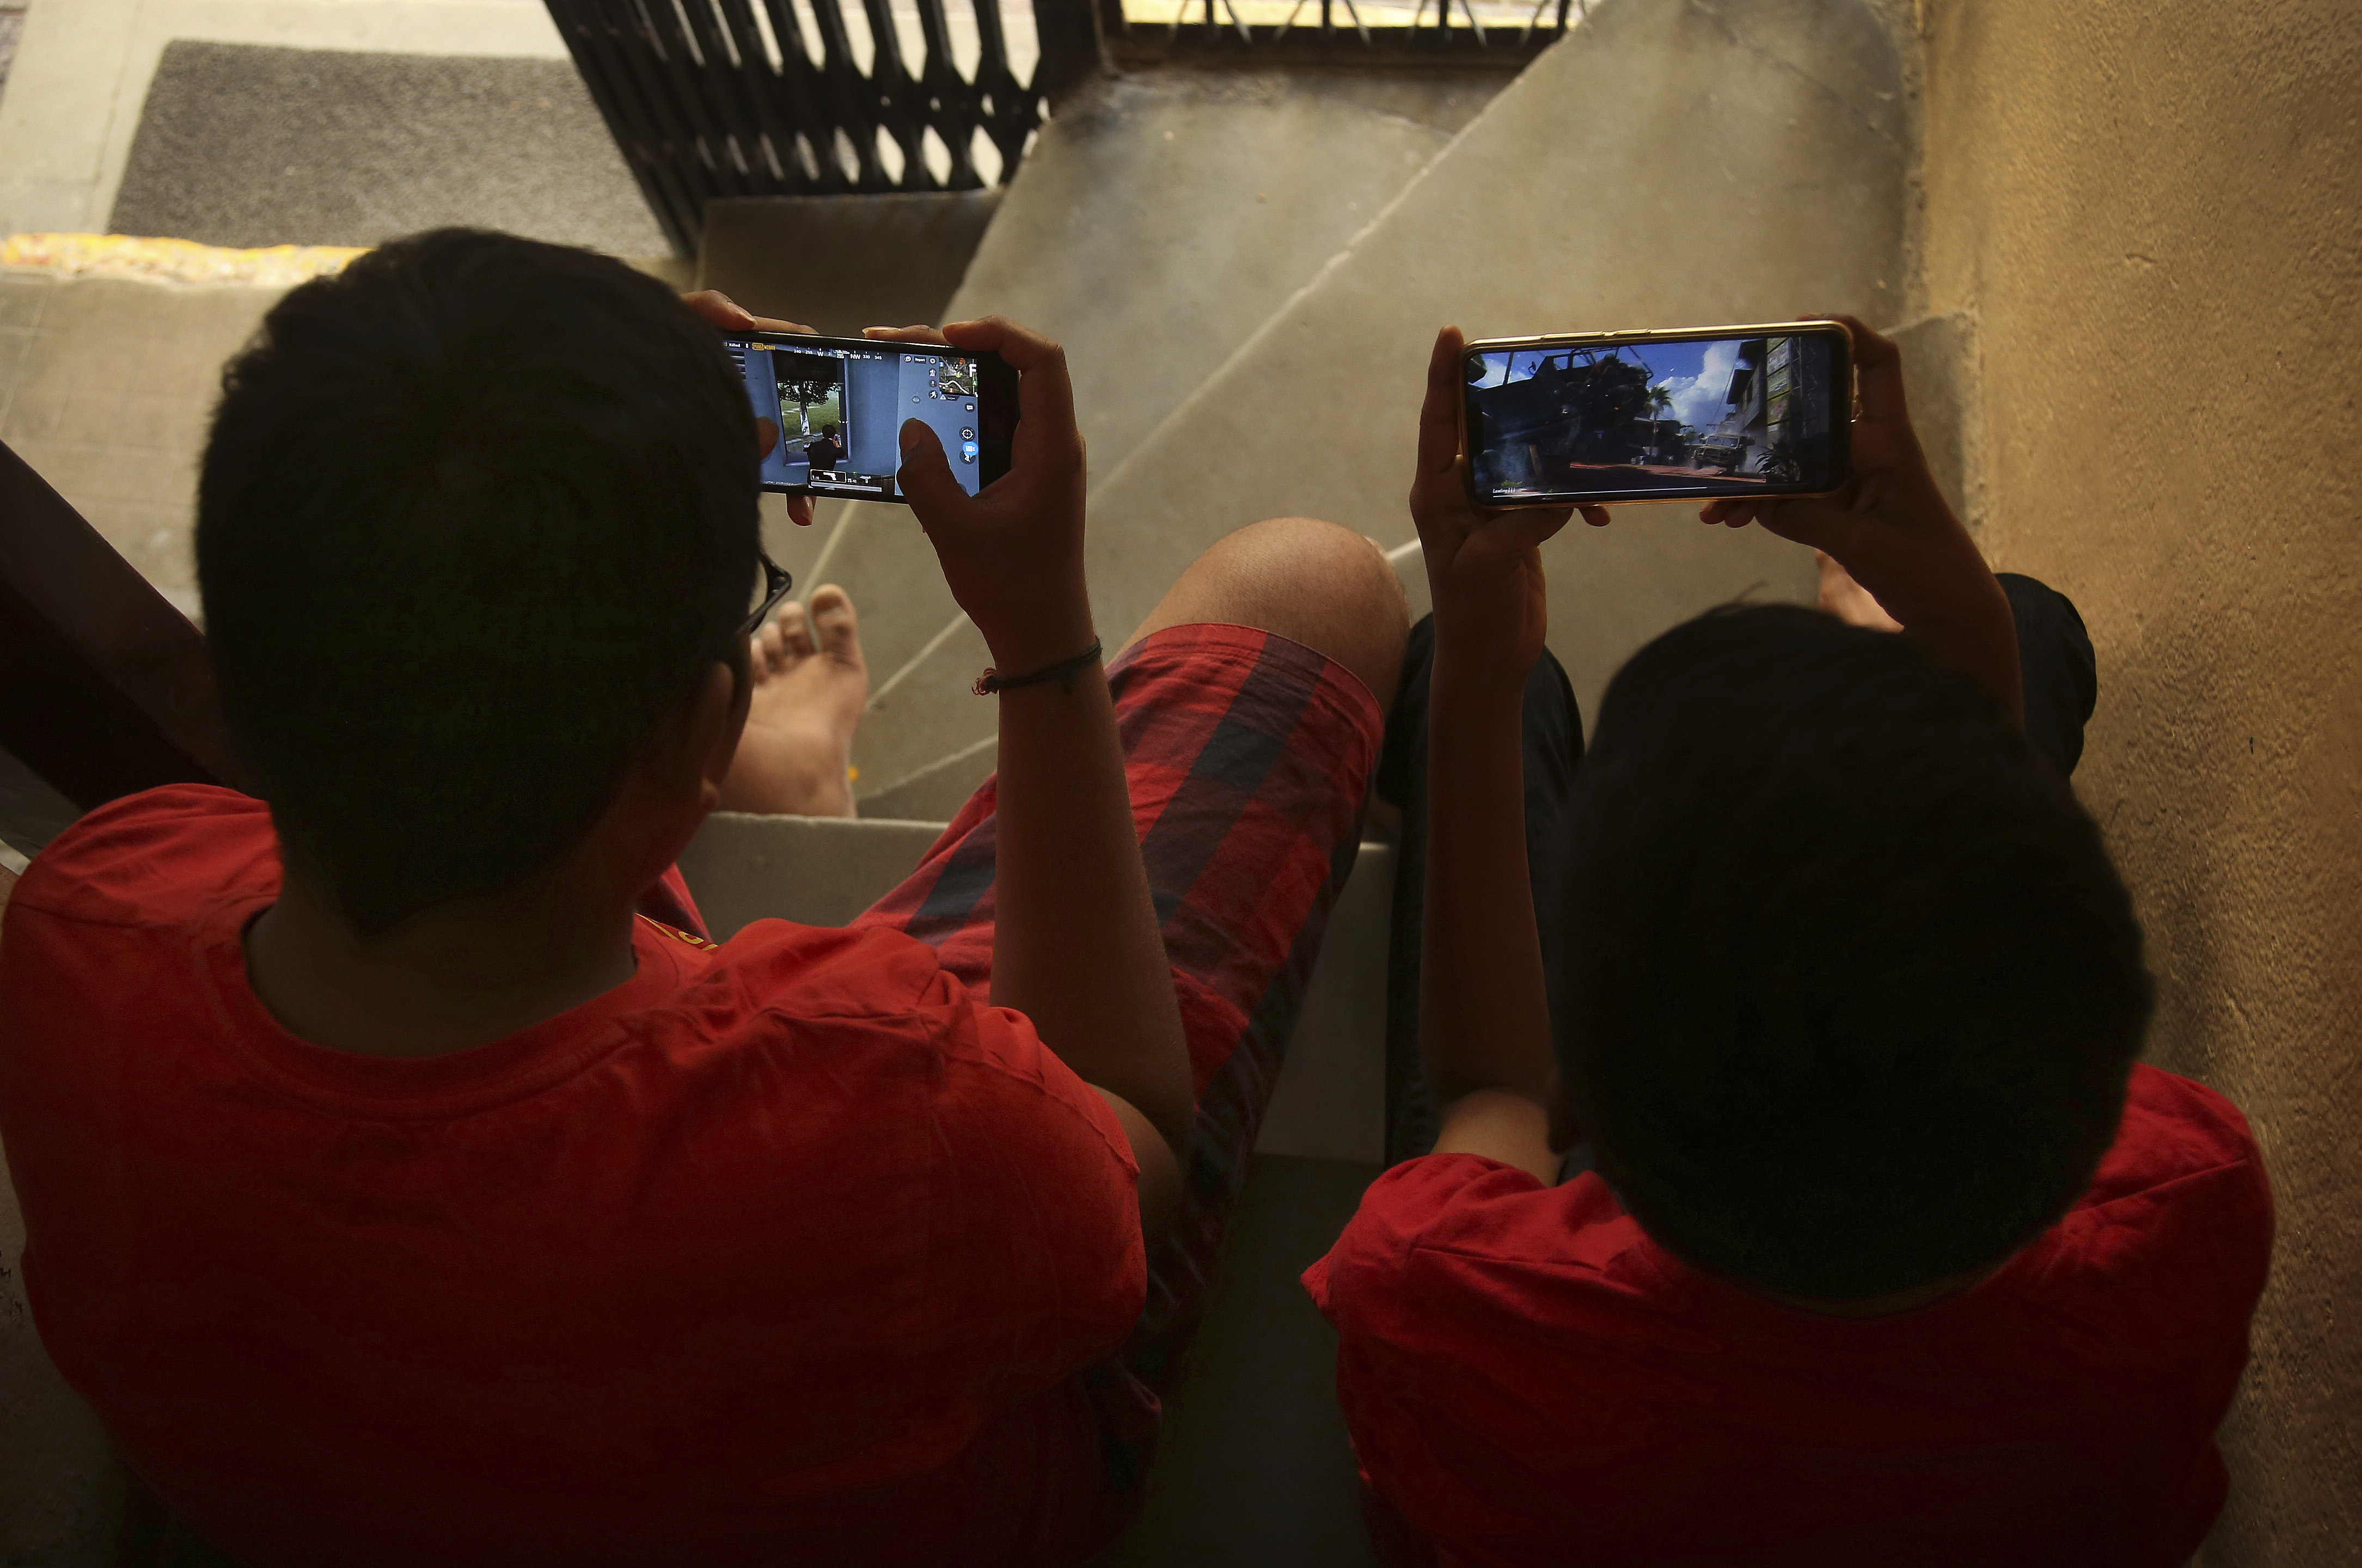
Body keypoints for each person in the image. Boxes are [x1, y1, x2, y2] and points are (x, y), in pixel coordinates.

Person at [0, 229, 1406, 1565]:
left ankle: (786, 783)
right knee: (1310, 581)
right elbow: (1125, 1148)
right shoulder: (895, 1103)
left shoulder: (87, 915)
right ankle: (796, 779)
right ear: (694, 734)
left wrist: (565, 430)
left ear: (235, 674)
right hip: (922, 1424)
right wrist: (1041, 634)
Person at [1306, 317, 2273, 1567]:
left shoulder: (1448, 1292)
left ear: (1587, 1100)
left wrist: (1487, 666)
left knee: (1478, 673)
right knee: (2033, 625)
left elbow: (1491, 1089)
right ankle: (1894, 638)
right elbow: (1994, 937)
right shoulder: (2185, 1202)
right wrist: (1959, 618)